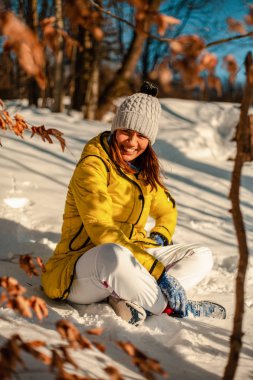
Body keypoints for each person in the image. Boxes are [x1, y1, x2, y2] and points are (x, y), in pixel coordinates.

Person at [42, 82, 224, 326]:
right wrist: (158, 273)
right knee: (113, 254)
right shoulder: (93, 166)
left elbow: (167, 209)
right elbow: (101, 231)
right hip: (83, 267)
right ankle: (175, 309)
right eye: (126, 131)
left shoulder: (143, 171)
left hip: (132, 255)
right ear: (115, 129)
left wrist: (161, 234)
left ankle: (126, 297)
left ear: (150, 139)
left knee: (201, 254)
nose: (132, 142)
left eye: (141, 136)